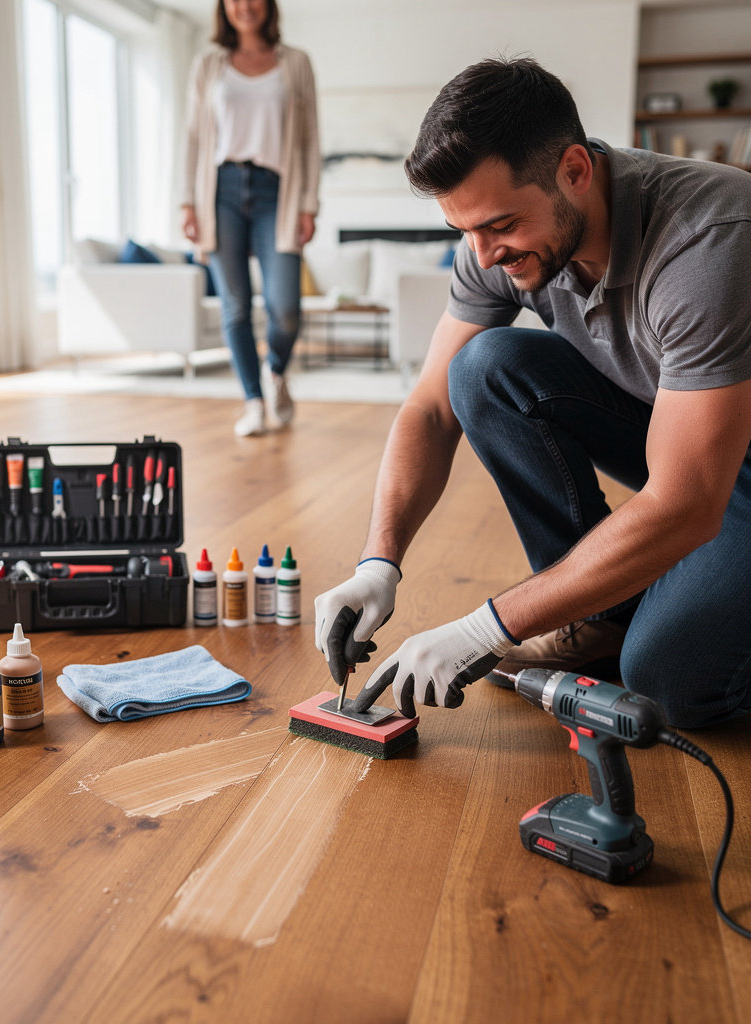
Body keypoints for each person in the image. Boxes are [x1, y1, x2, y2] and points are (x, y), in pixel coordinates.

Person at [314, 56, 751, 730]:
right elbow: (430, 408)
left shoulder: (707, 243)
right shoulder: (496, 240)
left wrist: (488, 626)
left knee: (669, 681)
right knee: (482, 368)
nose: (483, 255)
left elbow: (688, 503)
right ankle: (601, 614)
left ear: (575, 171)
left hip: (726, 468)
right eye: (465, 232)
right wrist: (378, 563)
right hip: (684, 432)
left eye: (500, 226)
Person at [181, 0, 321, 437]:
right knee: (235, 307)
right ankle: (253, 403)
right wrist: (187, 203)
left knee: (286, 310)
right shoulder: (208, 65)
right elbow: (192, 137)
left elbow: (310, 139)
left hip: (277, 193)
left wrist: (309, 204)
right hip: (219, 191)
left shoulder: (296, 63)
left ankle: (274, 370)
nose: (245, 5)